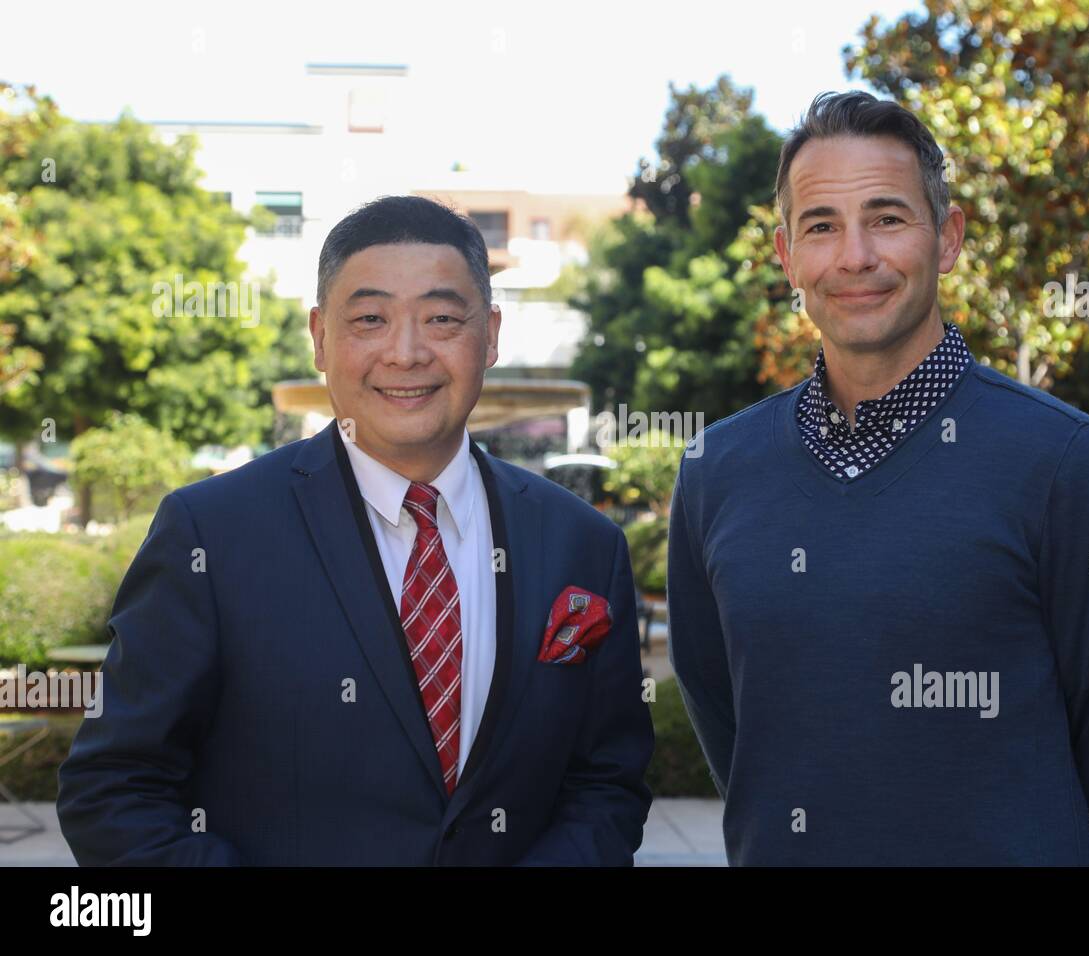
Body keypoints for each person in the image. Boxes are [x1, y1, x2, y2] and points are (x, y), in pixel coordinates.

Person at [667, 91, 1089, 866]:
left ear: (947, 238)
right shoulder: (717, 471)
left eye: (886, 217)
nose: (854, 257)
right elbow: (725, 713)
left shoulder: (1069, 465)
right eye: (821, 227)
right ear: (787, 257)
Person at [58, 196, 654, 865]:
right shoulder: (211, 535)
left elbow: (607, 783)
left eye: (441, 318)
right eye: (370, 319)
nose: (406, 353)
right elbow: (113, 790)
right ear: (319, 336)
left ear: (489, 334)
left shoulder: (582, 544)